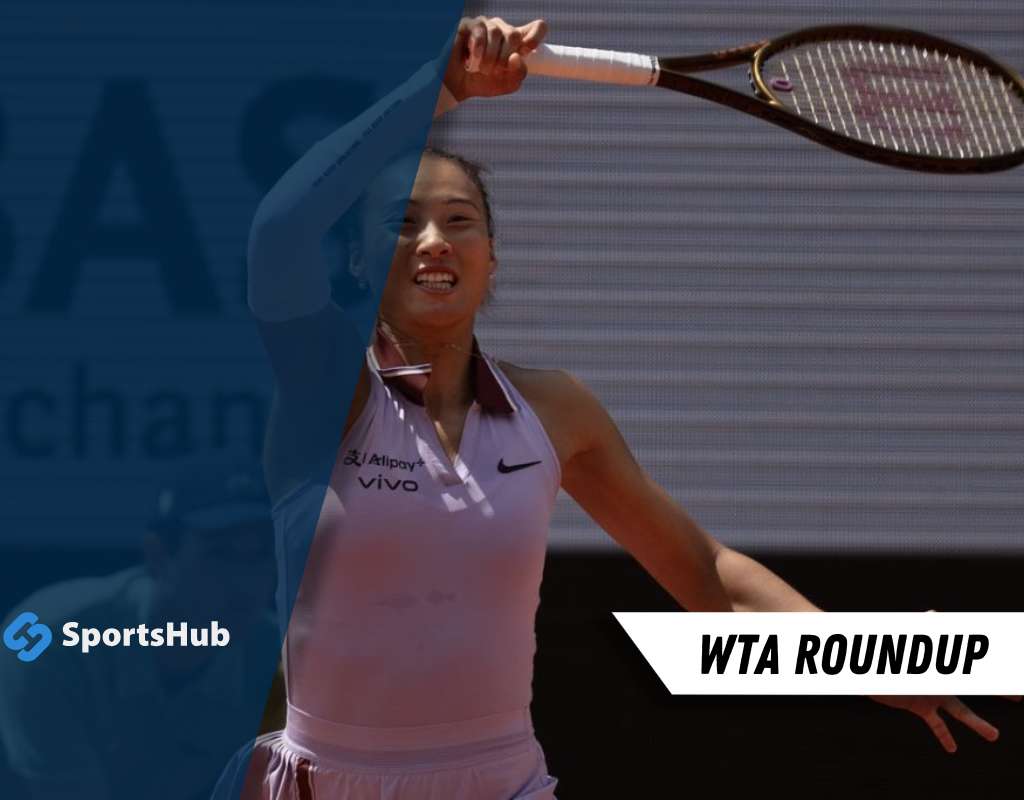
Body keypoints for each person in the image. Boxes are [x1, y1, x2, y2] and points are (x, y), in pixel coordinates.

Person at [230, 15, 1015, 800]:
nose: (433, 240)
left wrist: (865, 659)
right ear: (360, 259)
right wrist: (441, 88)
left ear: (491, 258)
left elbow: (708, 572)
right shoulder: (327, 388)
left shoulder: (557, 410)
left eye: (459, 221)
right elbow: (278, 231)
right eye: (403, 222)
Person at [0, 466, 278, 800]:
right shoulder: (47, 636)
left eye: (261, 555)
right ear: (158, 556)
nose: (245, 581)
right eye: (218, 554)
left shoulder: (277, 657)